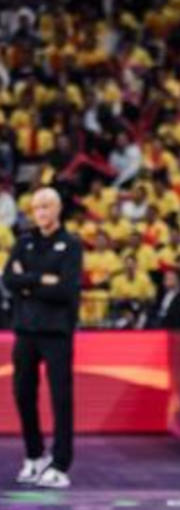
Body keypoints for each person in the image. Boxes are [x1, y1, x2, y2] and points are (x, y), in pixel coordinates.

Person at [2, 188, 83, 489]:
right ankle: (34, 455)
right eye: (36, 207)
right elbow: (9, 280)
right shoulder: (23, 241)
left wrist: (28, 283)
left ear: (58, 209)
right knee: (22, 394)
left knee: (61, 398)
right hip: (25, 330)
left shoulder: (71, 244)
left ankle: (60, 464)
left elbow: (66, 289)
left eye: (47, 206)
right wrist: (40, 279)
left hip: (56, 332)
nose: (41, 212)